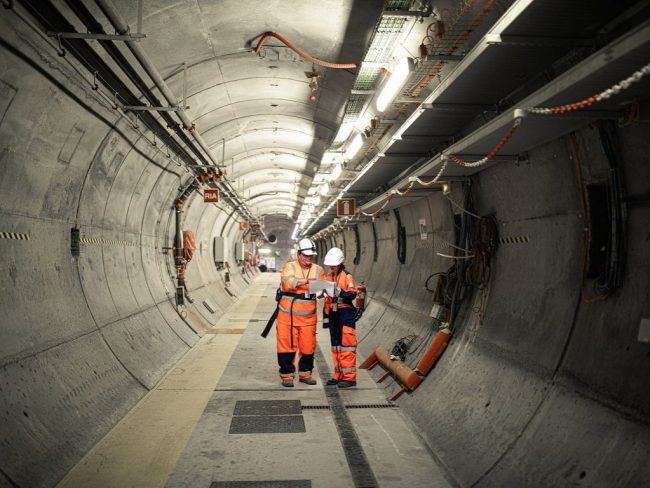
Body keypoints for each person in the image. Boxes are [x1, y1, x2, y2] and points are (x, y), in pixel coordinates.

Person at [276, 238, 326, 387]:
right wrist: (308, 282)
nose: (308, 259)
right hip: (287, 317)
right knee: (286, 347)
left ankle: (305, 375)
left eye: (311, 256)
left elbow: (320, 289)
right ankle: (287, 376)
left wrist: (317, 288)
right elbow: (288, 283)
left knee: (308, 347)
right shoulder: (290, 266)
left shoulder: (318, 270)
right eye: (305, 256)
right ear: (299, 254)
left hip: (308, 318)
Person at [322, 247, 358, 388]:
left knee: (347, 346)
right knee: (336, 346)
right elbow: (326, 297)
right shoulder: (329, 277)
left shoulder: (347, 276)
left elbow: (352, 295)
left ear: (340, 263)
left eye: (334, 264)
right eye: (330, 264)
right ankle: (338, 375)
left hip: (346, 314)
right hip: (334, 314)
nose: (332, 266)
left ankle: (349, 378)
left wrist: (340, 292)